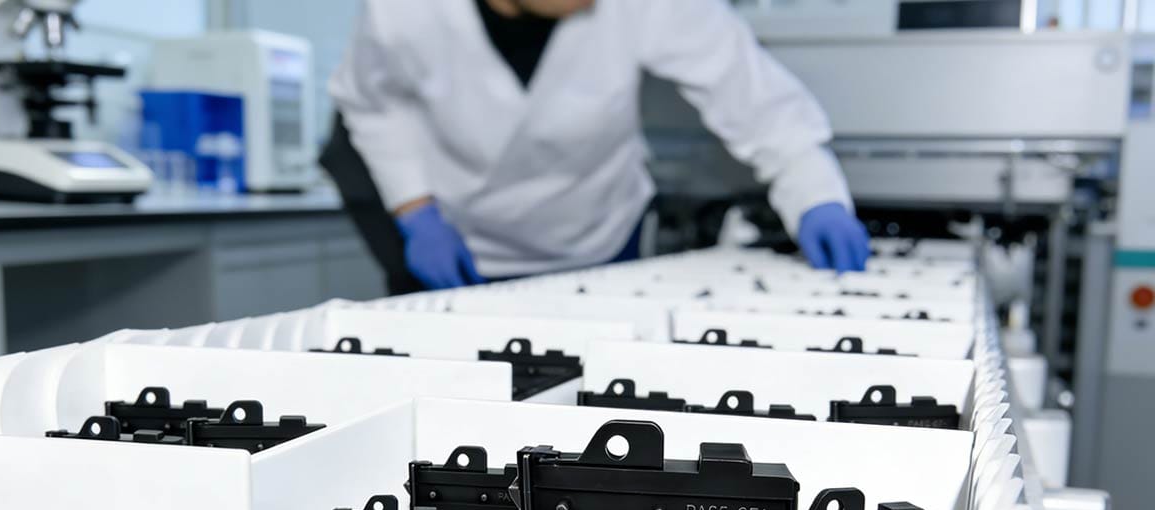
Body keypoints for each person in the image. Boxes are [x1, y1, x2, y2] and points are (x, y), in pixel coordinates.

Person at [325, 0, 869, 293]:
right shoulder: (402, 10)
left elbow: (751, 94)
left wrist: (814, 191)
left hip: (597, 236)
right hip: (466, 239)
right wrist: (416, 213)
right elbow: (372, 103)